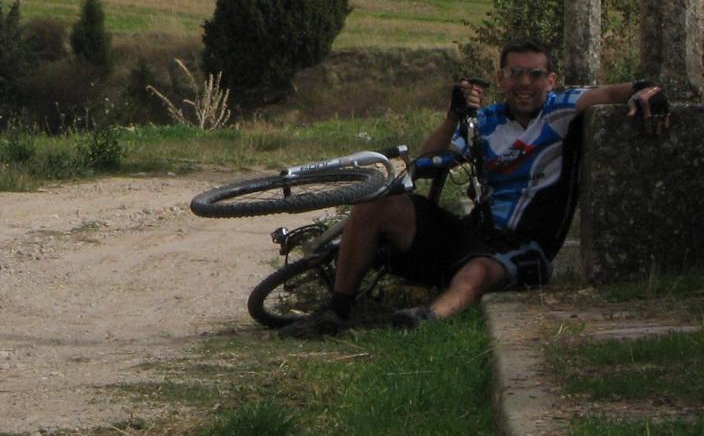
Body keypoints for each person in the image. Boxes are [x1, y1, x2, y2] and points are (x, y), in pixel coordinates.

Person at [280, 36, 670, 338]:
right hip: (474, 232)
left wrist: (643, 88)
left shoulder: (561, 109)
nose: (525, 83)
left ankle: (428, 318)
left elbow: (607, 94)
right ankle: (335, 310)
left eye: (535, 75)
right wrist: (453, 116)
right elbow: (427, 163)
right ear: (500, 77)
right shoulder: (484, 121)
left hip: (525, 245)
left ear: (550, 80)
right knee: (378, 200)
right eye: (515, 73)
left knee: (478, 272)